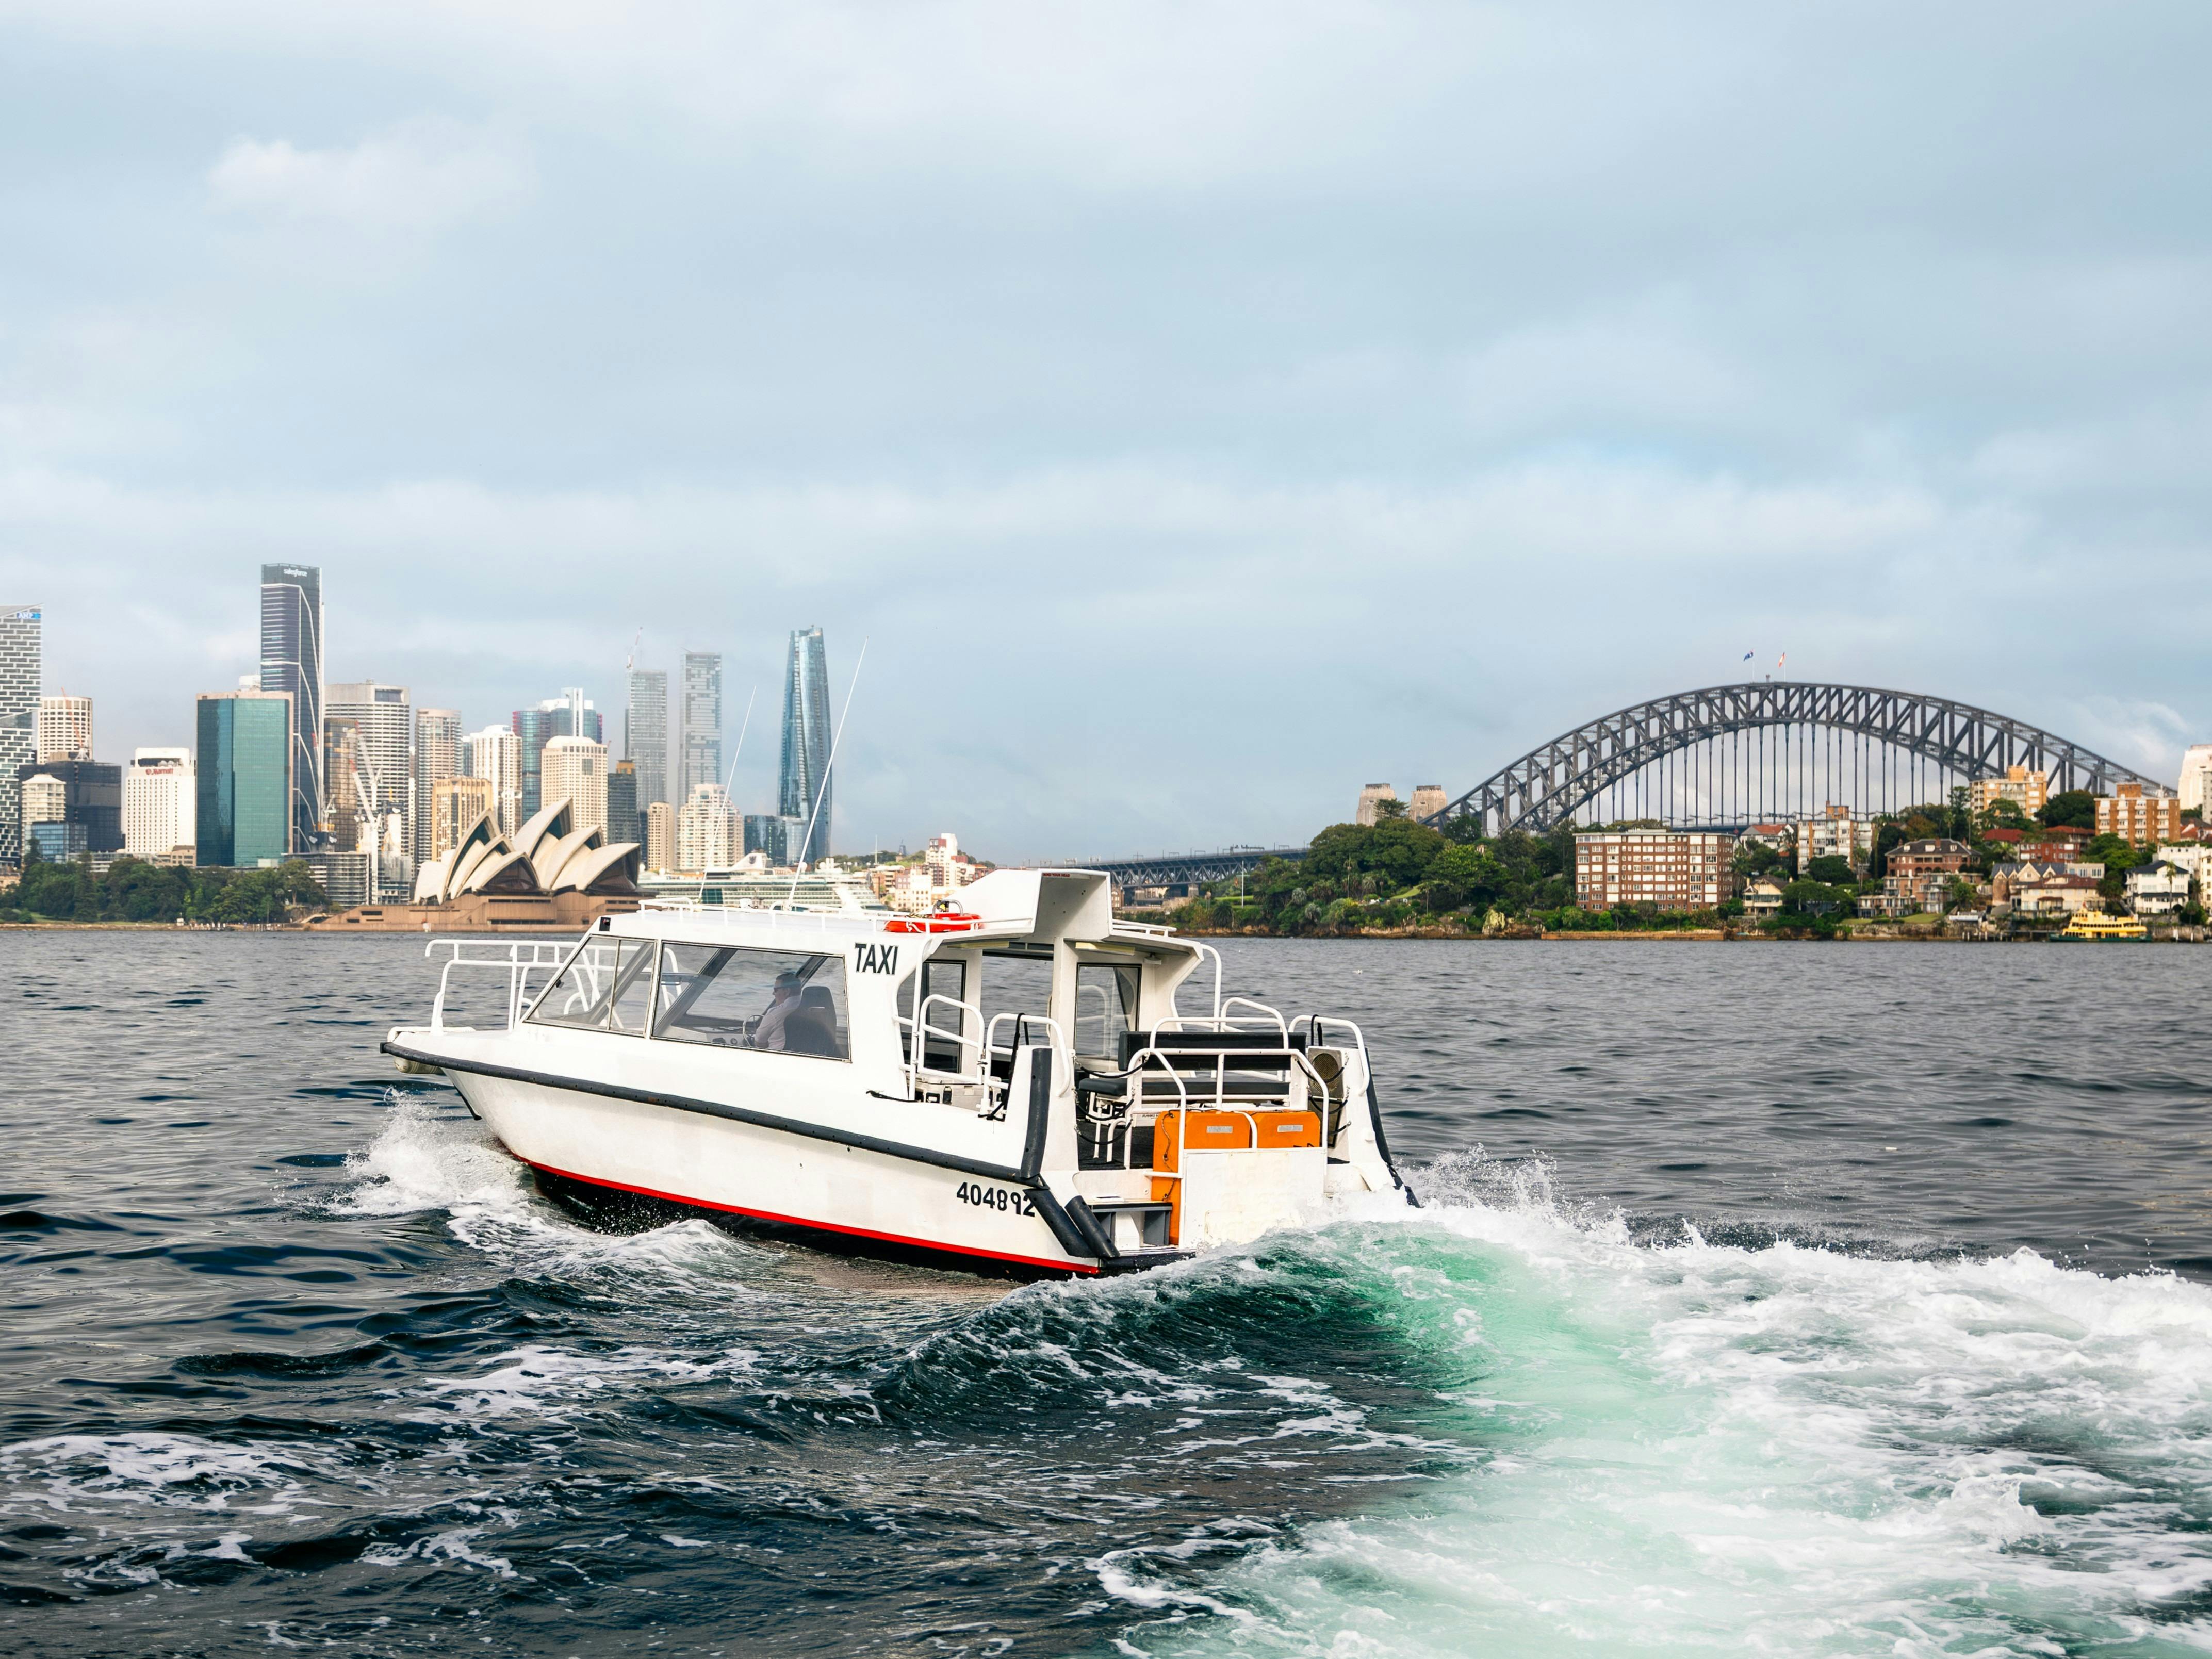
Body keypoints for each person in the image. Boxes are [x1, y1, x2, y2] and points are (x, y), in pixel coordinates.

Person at [752, 971, 804, 1050]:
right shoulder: (810, 1009)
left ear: (786, 992)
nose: (773, 993)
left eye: (776, 990)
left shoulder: (775, 1014)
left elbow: (759, 1042)